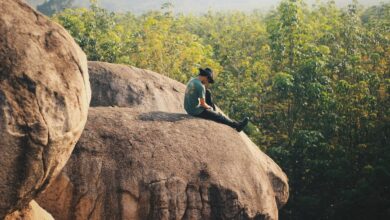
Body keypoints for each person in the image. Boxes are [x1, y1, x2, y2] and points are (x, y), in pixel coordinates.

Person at [184, 67, 249, 132]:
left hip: (188, 108)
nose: (207, 82)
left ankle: (213, 113)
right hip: (195, 111)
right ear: (206, 77)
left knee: (208, 92)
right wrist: (209, 107)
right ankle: (237, 126)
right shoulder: (201, 86)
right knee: (219, 116)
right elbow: (202, 104)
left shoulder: (192, 80)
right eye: (208, 81)